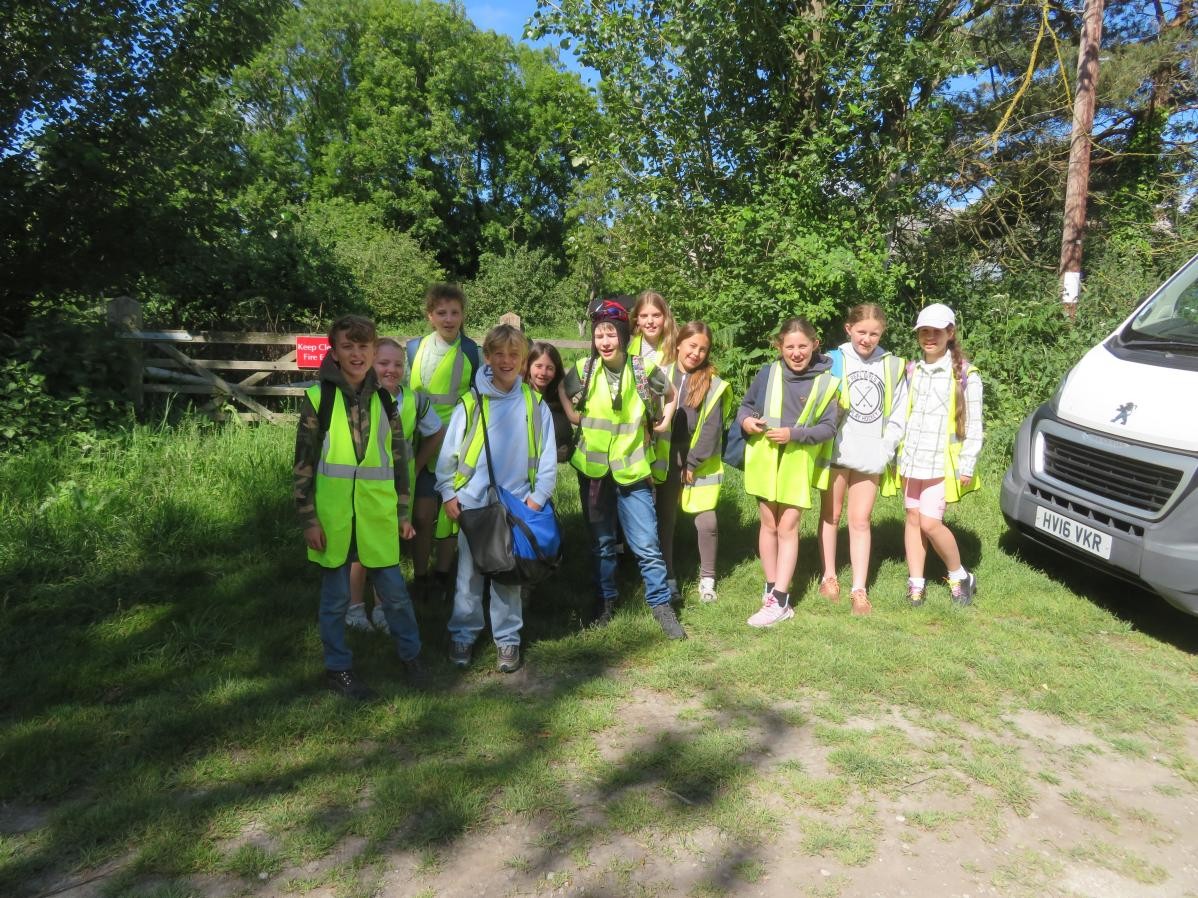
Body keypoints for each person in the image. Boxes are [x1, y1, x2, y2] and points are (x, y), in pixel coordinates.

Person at [294, 314, 422, 700]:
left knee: (396, 595)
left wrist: (402, 513)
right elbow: (303, 464)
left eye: (363, 347)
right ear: (334, 351)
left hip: (378, 515)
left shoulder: (387, 400)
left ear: (372, 350)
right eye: (348, 346)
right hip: (332, 518)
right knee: (334, 600)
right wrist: (308, 518)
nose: (356, 354)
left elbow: (400, 463)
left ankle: (412, 658)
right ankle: (339, 668)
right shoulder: (319, 398)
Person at [563, 295, 686, 640]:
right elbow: (562, 389)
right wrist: (573, 415)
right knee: (602, 544)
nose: (604, 342)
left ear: (622, 335)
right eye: (599, 335)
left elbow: (672, 393)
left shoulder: (643, 369)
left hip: (633, 473)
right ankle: (606, 602)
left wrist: (664, 420)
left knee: (647, 544)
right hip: (594, 473)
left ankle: (662, 607)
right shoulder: (585, 369)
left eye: (610, 335)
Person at [437, 325, 558, 673]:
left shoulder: (535, 405)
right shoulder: (472, 403)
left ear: (523, 362)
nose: (506, 361)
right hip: (473, 504)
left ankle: (508, 640)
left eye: (514, 355)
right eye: (499, 354)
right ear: (487, 357)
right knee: (468, 575)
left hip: (517, 505)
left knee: (508, 576)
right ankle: (463, 633)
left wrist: (537, 498)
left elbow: (547, 458)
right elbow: (449, 455)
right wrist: (448, 492)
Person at [736, 317, 841, 628]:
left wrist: (793, 435)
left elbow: (828, 428)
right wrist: (746, 422)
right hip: (764, 460)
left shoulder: (826, 382)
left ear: (814, 345)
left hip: (797, 464)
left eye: (802, 346)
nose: (796, 353)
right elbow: (745, 406)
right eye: (789, 347)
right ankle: (771, 589)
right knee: (768, 525)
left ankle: (781, 600)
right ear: (779, 347)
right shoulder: (768, 373)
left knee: (788, 527)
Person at [346, 337, 446, 632]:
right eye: (383, 363)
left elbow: (436, 432)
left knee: (386, 548)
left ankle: (381, 608)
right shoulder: (357, 398)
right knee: (359, 550)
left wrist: (413, 468)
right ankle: (354, 609)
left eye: (398, 364)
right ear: (371, 364)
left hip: (396, 491)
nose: (391, 370)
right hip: (363, 487)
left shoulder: (414, 400)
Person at [816, 304, 907, 615]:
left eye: (874, 333)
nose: (867, 339)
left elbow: (898, 414)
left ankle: (859, 589)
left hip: (871, 455)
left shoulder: (892, 366)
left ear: (882, 334)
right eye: (861, 332)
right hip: (836, 451)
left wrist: (886, 450)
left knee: (860, 520)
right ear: (848, 329)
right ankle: (829, 576)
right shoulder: (833, 360)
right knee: (831, 514)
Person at [900, 303, 983, 607]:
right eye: (924, 331)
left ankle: (959, 575)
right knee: (912, 518)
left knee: (930, 524)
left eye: (936, 331)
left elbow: (974, 425)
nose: (929, 337)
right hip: (911, 460)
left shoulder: (966, 374)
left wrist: (968, 463)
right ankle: (916, 583)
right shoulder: (911, 371)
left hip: (941, 463)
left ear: (950, 333)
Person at [406, 283, 481, 601]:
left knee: (452, 515)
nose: (449, 319)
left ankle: (442, 574)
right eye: (441, 313)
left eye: (455, 313)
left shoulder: (471, 351)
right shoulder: (413, 348)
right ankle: (420, 575)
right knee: (422, 516)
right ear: (430, 316)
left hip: (457, 446)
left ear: (463, 315)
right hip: (421, 444)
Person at [655, 321, 731, 604]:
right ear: (678, 344)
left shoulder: (712, 383)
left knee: (706, 521)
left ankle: (708, 579)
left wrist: (692, 462)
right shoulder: (661, 373)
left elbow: (711, 429)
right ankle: (669, 578)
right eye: (692, 346)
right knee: (665, 519)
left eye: (703, 349)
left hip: (697, 461)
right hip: (663, 457)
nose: (696, 353)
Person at [524, 340, 574, 463]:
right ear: (528, 366)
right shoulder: (520, 397)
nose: (543, 373)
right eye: (538, 366)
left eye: (549, 368)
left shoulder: (559, 397)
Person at [629, 290, 678, 369]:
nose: (650, 321)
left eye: (656, 315)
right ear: (637, 319)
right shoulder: (627, 346)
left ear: (665, 317)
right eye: (644, 316)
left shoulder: (677, 346)